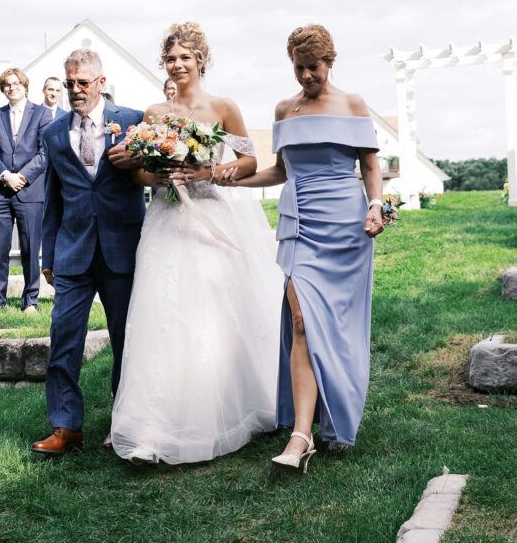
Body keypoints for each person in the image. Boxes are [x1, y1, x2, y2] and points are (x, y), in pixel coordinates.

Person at [110, 23, 281, 465]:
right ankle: (152, 425)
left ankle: (215, 411)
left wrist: (204, 173)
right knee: (160, 313)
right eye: (171, 59)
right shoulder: (153, 114)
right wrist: (158, 175)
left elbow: (248, 161)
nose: (178, 65)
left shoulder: (223, 107)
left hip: (209, 213)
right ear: (163, 65)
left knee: (208, 313)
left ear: (201, 61)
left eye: (186, 57)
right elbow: (138, 174)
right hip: (166, 217)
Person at [233, 24, 385, 471]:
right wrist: (235, 177)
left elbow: (370, 166)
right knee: (301, 323)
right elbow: (280, 171)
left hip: (346, 223)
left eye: (313, 68)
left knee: (335, 326)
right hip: (299, 223)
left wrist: (375, 205)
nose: (306, 77)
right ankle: (301, 436)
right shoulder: (284, 109)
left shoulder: (352, 104)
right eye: (299, 68)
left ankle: (336, 415)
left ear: (330, 63)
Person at [32, 49, 145, 456]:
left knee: (125, 338)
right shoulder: (53, 133)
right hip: (73, 249)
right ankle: (65, 426)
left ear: (101, 82)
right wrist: (48, 255)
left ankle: (126, 421)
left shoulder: (133, 121)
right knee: (63, 335)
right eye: (69, 83)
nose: (75, 90)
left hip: (122, 246)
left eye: (83, 82)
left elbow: (147, 177)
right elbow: (54, 199)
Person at [0, 67, 51, 315]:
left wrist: (21, 177)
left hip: (30, 191)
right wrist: (5, 175)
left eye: (16, 83)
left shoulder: (42, 114)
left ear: (25, 86)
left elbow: (45, 153)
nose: (12, 88)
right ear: (3, 89)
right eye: (7, 85)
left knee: (30, 248)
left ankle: (30, 300)